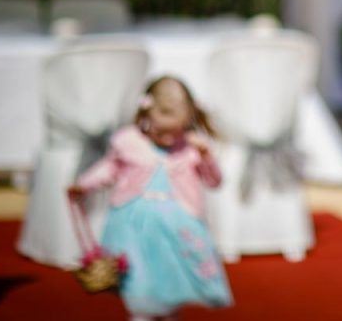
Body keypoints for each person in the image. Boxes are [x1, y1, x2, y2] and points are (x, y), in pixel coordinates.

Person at [67, 76, 233, 321]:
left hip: (177, 226)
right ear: (146, 113)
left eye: (176, 131)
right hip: (132, 226)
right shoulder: (127, 141)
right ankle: (141, 313)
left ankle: (168, 311)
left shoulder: (192, 148)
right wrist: (83, 185)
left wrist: (206, 156)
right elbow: (109, 168)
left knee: (170, 277)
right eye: (161, 130)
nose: (168, 138)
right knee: (139, 279)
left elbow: (214, 181)